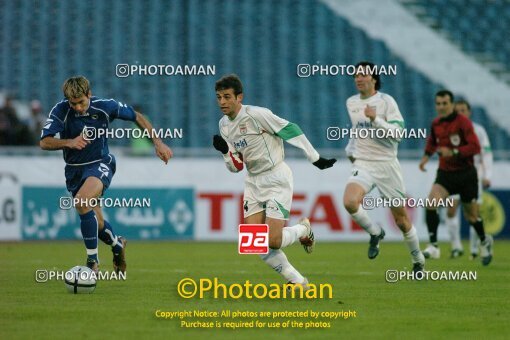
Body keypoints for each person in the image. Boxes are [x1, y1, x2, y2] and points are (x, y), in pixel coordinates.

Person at [212, 74, 336, 289]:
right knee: (254, 243)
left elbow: (291, 129)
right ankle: (298, 281)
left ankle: (303, 230)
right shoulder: (224, 125)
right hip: (253, 181)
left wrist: (314, 157)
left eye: (227, 97)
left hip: (276, 177)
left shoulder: (257, 115)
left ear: (239, 97)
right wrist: (225, 152)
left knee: (273, 241)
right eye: (218, 97)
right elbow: (237, 167)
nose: (222, 102)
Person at [40, 76, 173, 273]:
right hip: (74, 170)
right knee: (97, 222)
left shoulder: (104, 106)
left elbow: (136, 116)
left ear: (89, 95)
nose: (77, 107)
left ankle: (92, 262)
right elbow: (44, 142)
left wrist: (158, 142)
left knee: (82, 202)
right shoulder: (61, 110)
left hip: (100, 163)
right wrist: (69, 142)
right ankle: (117, 245)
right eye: (73, 103)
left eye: (81, 102)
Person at [343, 61, 425, 272]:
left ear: (374, 79)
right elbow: (356, 130)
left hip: (387, 166)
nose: (358, 79)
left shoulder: (386, 102)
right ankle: (374, 232)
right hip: (364, 163)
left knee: (402, 220)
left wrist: (376, 120)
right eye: (356, 75)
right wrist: (350, 150)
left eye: (363, 75)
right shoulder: (351, 102)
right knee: (350, 202)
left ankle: (417, 260)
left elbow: (398, 134)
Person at [419, 90, 493, 266]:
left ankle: (484, 241)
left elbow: (475, 147)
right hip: (445, 174)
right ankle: (434, 246)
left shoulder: (463, 123)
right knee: (431, 203)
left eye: (445, 103)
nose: (441, 107)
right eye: (438, 104)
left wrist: (453, 152)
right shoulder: (436, 123)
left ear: (451, 104)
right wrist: (426, 156)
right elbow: (432, 141)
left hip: (466, 174)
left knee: (472, 217)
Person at [444, 100, 493, 259]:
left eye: (463, 110)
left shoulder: (478, 130)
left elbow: (486, 154)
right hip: (453, 175)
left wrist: (487, 176)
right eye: (457, 111)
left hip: (473, 176)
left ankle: (474, 248)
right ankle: (456, 247)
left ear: (469, 112)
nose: (461, 113)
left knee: (472, 214)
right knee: (451, 210)